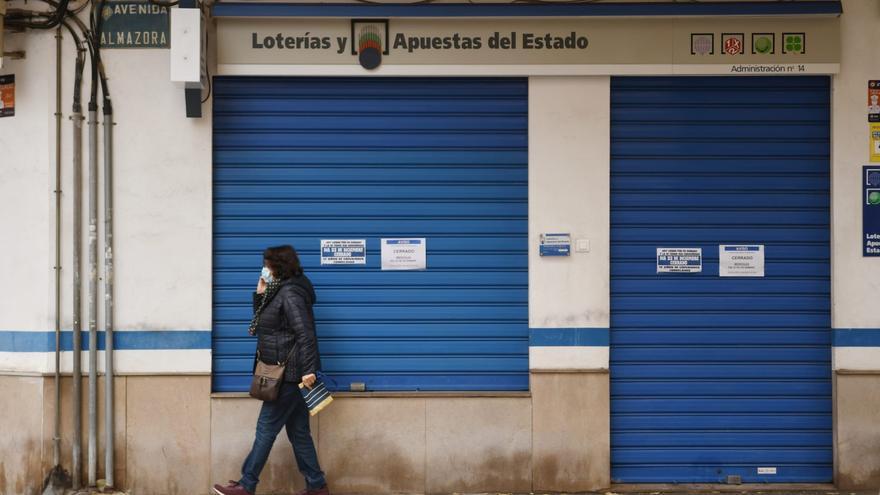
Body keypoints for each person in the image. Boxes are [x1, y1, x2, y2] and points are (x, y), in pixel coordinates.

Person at [213, 245, 329, 495]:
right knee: (299, 433)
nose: (264, 268)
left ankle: (247, 484)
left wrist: (308, 370)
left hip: (288, 375)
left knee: (266, 429)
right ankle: (317, 485)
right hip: (287, 373)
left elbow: (306, 333)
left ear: (279, 266)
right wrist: (260, 293)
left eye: (267, 264)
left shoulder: (290, 294)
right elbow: (266, 324)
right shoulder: (279, 291)